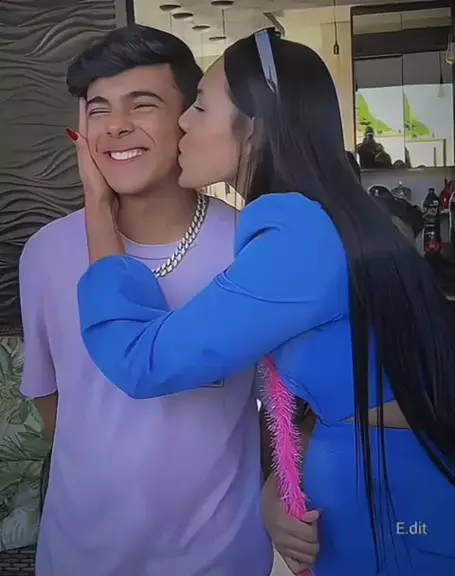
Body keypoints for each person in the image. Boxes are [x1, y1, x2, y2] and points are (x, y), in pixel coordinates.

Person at [74, 28, 455, 575]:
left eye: (199, 107)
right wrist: (282, 480)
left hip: (398, 514)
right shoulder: (316, 221)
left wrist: (97, 206)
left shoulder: (297, 238)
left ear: (254, 126)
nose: (183, 123)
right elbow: (344, 388)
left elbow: (144, 362)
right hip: (376, 499)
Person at [19, 25, 318, 576]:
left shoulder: (253, 247)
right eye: (98, 108)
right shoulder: (44, 253)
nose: (116, 126)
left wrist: (279, 489)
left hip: (219, 557)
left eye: (143, 104)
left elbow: (287, 411)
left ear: (188, 118)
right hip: (79, 555)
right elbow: (54, 405)